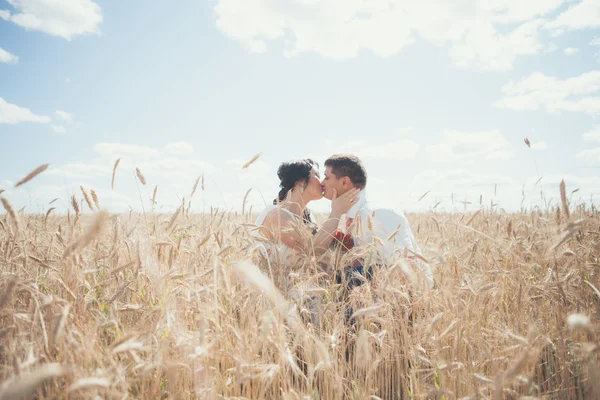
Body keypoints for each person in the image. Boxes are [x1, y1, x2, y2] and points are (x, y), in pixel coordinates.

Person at [321, 154, 434, 293]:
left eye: (326, 177)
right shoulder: (350, 213)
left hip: (401, 298)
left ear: (344, 182)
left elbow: (404, 268)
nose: (322, 182)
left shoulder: (379, 212)